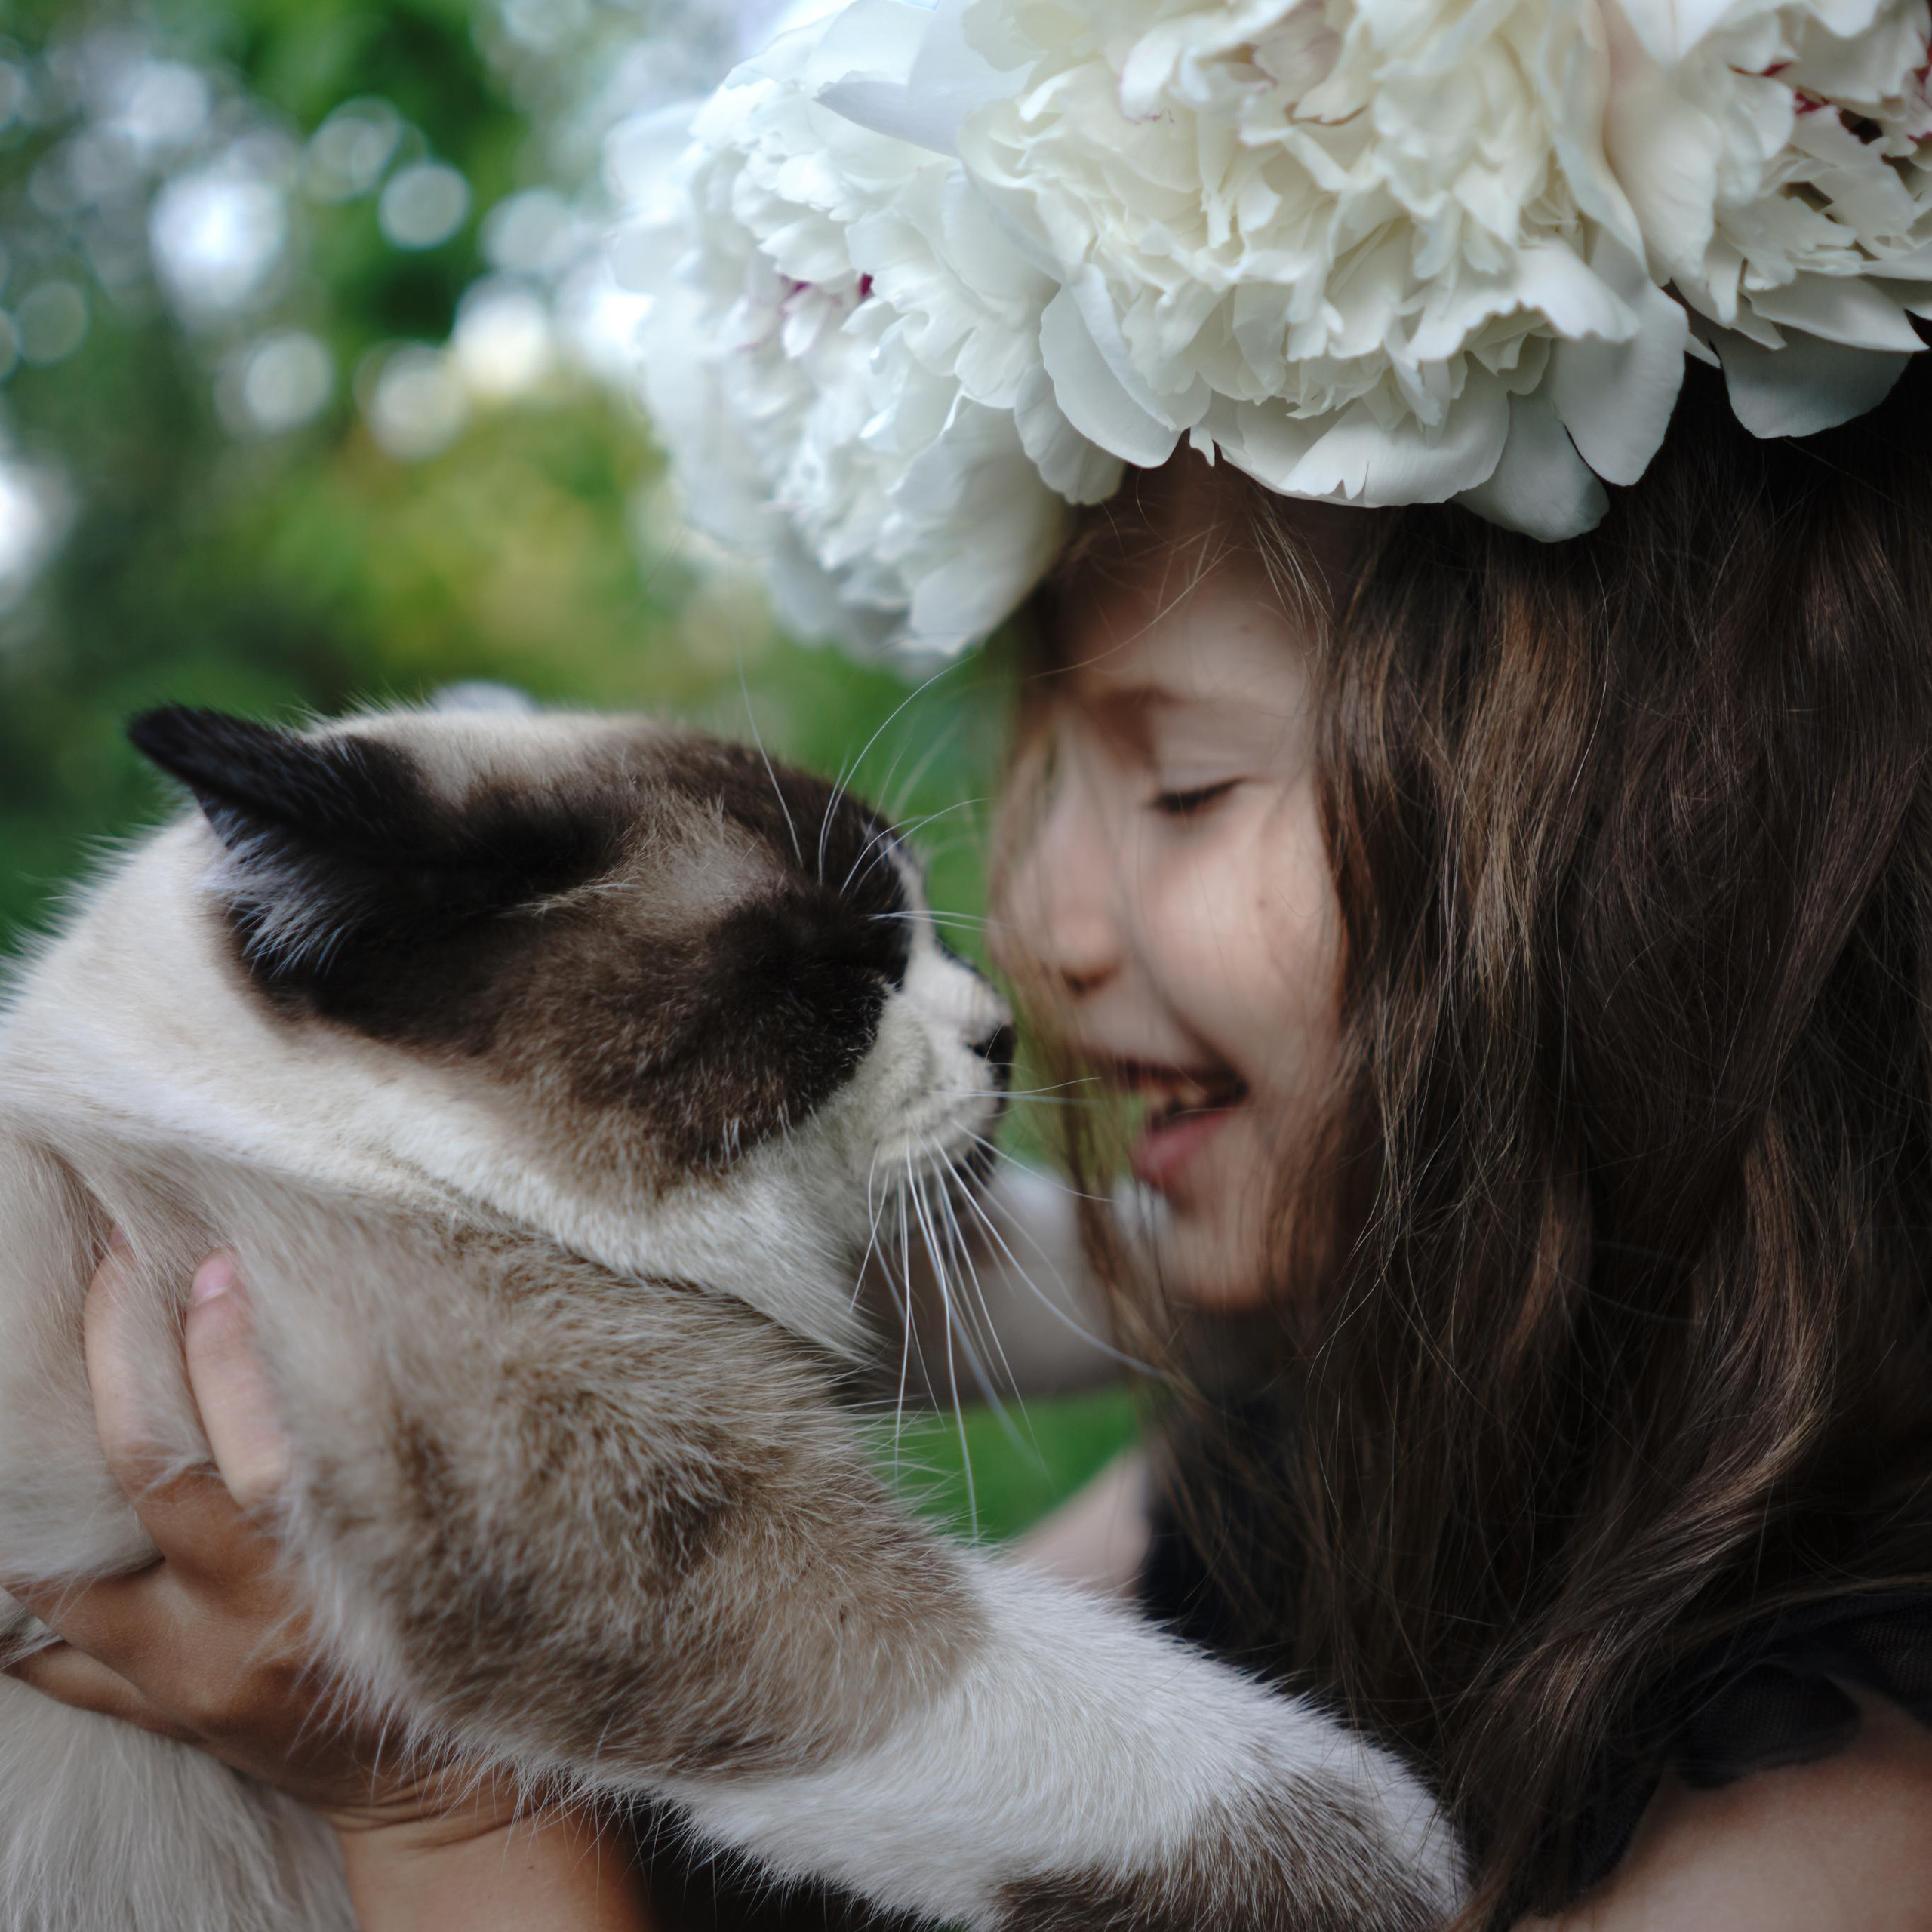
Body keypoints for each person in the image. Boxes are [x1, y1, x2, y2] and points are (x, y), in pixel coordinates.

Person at [12, 1, 1932, 1925]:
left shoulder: (1824, 1828)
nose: (1042, 930)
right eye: (1050, 777)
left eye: (1182, 787)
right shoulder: (1257, 1460)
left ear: (1660, 839)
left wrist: (442, 1808)